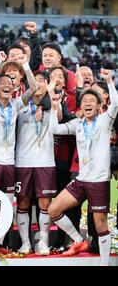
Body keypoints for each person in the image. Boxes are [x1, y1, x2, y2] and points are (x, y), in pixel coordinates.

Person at [48, 68, 117, 266]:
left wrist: (109, 82)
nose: (87, 104)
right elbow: (54, 129)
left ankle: (104, 263)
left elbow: (116, 104)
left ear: (99, 106)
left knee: (100, 223)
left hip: (99, 181)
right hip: (81, 180)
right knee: (54, 210)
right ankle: (79, 240)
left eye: (91, 102)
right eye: (84, 101)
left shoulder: (105, 121)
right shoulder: (78, 124)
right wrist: (54, 108)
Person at [0, 51, 38, 248]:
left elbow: (34, 87)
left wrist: (27, 65)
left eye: (10, 83)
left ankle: (0, 243)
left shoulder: (16, 104)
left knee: (7, 205)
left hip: (9, 164)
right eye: (2, 83)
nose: (7, 85)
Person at [15, 71, 57, 255]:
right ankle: (25, 243)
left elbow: (61, 117)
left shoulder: (53, 105)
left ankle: (43, 242)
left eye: (42, 81)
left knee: (44, 204)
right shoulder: (20, 106)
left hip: (45, 162)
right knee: (22, 202)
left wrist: (48, 99)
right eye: (35, 81)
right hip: (22, 162)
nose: (38, 84)